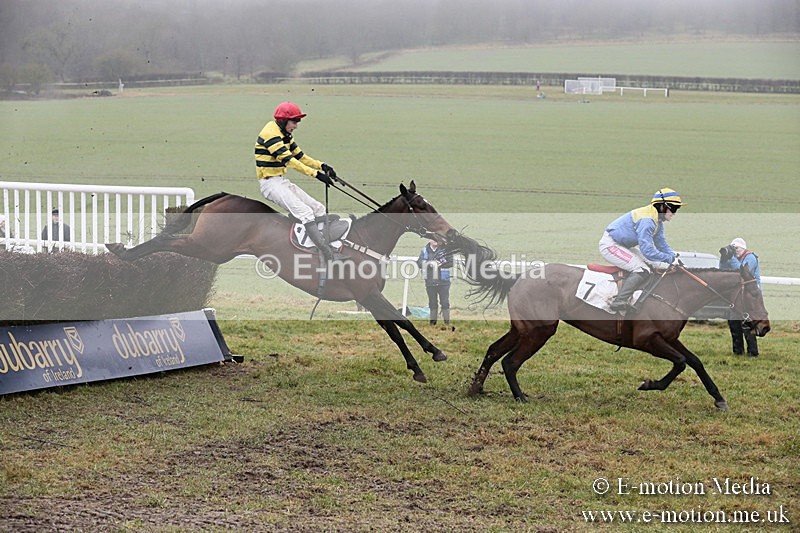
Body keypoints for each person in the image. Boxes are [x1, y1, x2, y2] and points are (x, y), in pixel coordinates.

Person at [255, 101, 341, 261]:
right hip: (270, 184)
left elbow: (301, 156)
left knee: (318, 208)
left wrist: (322, 166)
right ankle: (326, 253)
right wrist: (316, 174)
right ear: (283, 121)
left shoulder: (285, 134)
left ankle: (323, 242)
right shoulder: (271, 134)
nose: (296, 126)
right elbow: (290, 161)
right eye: (294, 122)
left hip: (280, 180)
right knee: (306, 213)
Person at [599, 188, 684, 312]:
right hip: (611, 245)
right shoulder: (647, 220)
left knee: (654, 266)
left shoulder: (657, 221)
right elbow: (648, 251)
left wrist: (673, 256)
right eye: (673, 208)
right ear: (661, 206)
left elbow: (661, 243)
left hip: (623, 246)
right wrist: (668, 258)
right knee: (642, 269)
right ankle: (619, 301)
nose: (674, 213)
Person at [719, 237, 761, 357]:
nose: (735, 250)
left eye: (736, 248)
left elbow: (742, 271)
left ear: (743, 247)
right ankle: (738, 352)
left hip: (749, 295)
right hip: (736, 296)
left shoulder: (751, 257)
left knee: (747, 324)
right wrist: (724, 259)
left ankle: (753, 353)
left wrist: (731, 258)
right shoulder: (734, 258)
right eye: (733, 248)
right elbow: (722, 270)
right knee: (734, 322)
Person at [417, 239, 453, 325]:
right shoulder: (424, 250)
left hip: (443, 281)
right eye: (433, 239)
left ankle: (447, 323)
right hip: (430, 281)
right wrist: (430, 264)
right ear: (429, 240)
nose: (435, 241)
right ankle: (432, 324)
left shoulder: (445, 250)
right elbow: (419, 263)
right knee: (432, 303)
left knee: (445, 302)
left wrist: (440, 264)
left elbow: (451, 262)